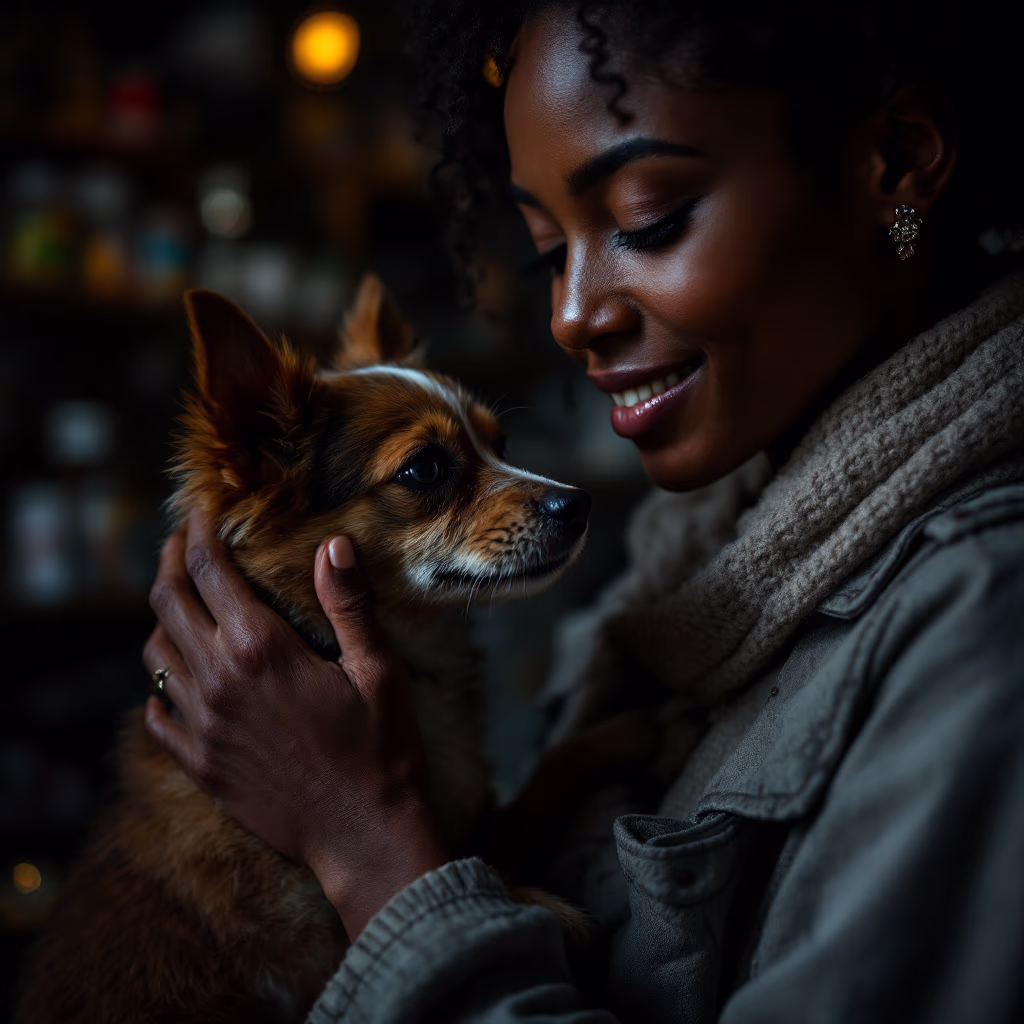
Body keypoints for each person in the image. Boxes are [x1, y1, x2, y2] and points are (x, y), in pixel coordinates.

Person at [141, 1, 1024, 1020]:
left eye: (647, 219)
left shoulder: (980, 617)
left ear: (899, 164)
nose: (571, 315)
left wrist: (359, 839)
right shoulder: (675, 577)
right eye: (546, 253)